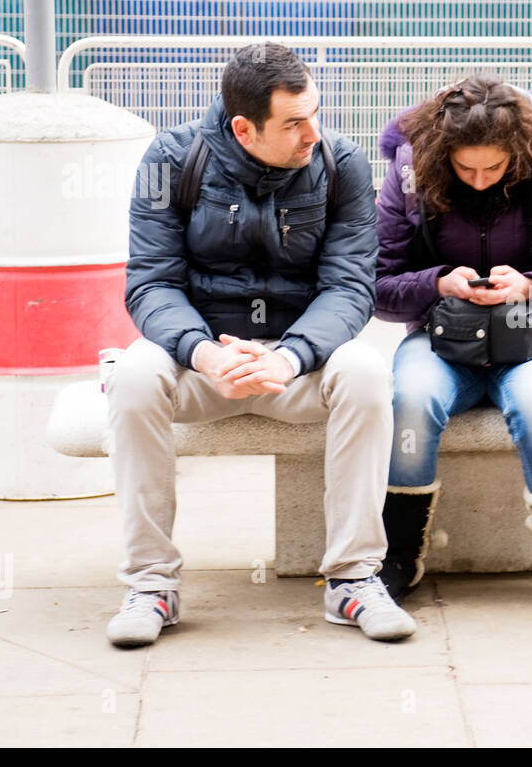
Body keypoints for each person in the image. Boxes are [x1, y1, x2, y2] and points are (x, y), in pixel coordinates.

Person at [105, 42, 416, 646]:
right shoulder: (172, 159)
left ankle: (353, 579)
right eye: (294, 123)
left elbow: (350, 287)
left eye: (316, 113)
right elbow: (151, 284)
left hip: (298, 362)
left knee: (368, 374)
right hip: (199, 358)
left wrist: (290, 354)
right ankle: (151, 585)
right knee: (134, 378)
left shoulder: (341, 165)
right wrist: (205, 352)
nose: (312, 133)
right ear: (244, 128)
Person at [374, 77, 532, 614]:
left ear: (524, 151)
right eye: (466, 168)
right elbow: (377, 287)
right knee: (410, 401)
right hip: (440, 337)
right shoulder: (409, 173)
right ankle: (398, 555)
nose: (482, 180)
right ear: (443, 154)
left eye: (496, 167)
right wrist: (438, 282)